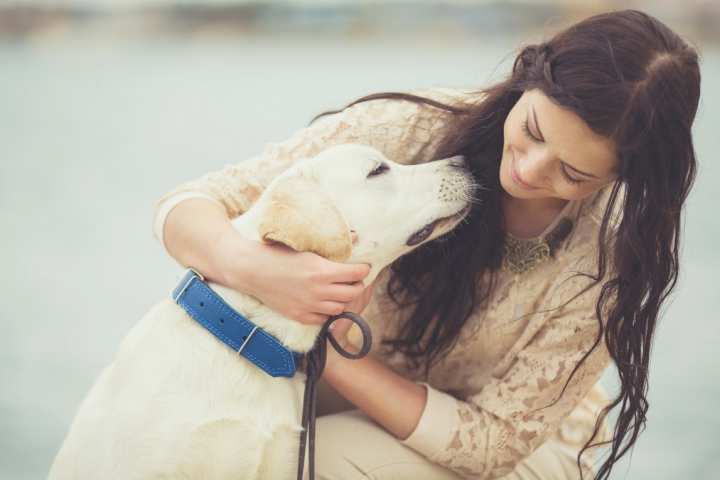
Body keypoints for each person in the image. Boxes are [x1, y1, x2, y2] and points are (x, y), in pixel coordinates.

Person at [153, 10, 701, 480]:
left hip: (518, 457)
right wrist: (251, 268)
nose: (530, 170)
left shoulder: (609, 255)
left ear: (621, 177)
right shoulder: (412, 130)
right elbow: (191, 204)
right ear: (527, 76)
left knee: (313, 460)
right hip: (340, 399)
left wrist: (329, 349)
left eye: (573, 172)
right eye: (533, 131)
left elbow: (493, 444)